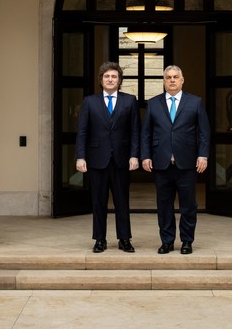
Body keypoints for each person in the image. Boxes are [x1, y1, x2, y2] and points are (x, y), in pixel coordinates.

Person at [141, 65, 209, 255]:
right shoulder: (153, 103)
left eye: (175, 77)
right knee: (164, 206)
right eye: (168, 77)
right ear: (164, 81)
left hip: (187, 163)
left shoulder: (195, 102)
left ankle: (187, 241)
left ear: (182, 80)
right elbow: (146, 133)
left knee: (188, 205)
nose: (172, 80)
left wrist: (203, 155)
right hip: (161, 163)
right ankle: (167, 242)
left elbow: (204, 132)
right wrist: (145, 155)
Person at [75, 61, 140, 253]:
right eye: (107, 76)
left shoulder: (130, 101)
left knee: (122, 201)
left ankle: (124, 239)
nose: (110, 79)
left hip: (122, 159)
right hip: (97, 160)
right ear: (101, 80)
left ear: (119, 80)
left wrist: (134, 155)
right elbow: (82, 131)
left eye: (114, 76)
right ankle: (100, 239)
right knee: (98, 202)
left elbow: (135, 131)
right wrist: (80, 156)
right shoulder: (90, 101)